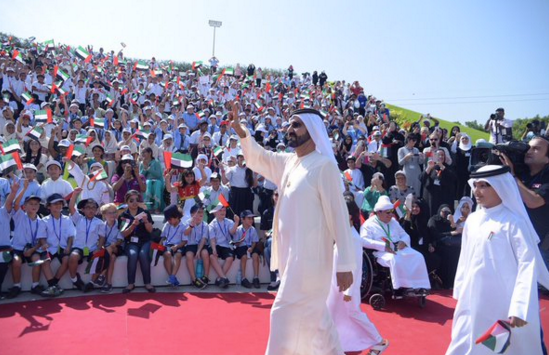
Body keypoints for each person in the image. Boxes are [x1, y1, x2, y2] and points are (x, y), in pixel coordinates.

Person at [231, 105, 355, 354]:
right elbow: (259, 157)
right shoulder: (289, 162)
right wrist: (242, 132)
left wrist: (344, 265)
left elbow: (339, 217)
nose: (290, 129)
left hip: (310, 262)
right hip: (292, 259)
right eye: (289, 125)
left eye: (296, 125)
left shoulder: (324, 166)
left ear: (312, 130)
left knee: (282, 315)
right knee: (319, 324)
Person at [446, 165, 549, 355]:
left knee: (501, 347)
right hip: (473, 298)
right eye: (475, 185)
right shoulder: (473, 220)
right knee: (466, 341)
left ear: (501, 187)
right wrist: (460, 290)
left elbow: (527, 265)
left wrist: (520, 306)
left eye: (485, 185)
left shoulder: (514, 223)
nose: (477, 191)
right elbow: (465, 259)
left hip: (504, 303)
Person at [327, 197, 389, 355]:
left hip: (346, 287)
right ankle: (339, 346)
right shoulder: (345, 234)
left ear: (348, 216)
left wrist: (347, 291)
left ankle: (379, 341)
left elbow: (353, 266)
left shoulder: (352, 238)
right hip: (337, 286)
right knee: (335, 317)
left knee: (353, 313)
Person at [361, 195, 431, 297]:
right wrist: (383, 246)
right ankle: (400, 287)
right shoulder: (368, 224)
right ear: (379, 212)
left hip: (398, 248)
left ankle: (419, 285)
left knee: (418, 256)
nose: (390, 215)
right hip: (381, 252)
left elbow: (405, 235)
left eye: (392, 212)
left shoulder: (393, 222)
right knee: (396, 260)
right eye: (388, 212)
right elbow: (363, 241)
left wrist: (403, 241)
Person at [500, 136, 549, 270]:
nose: (529, 151)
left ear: (547, 158)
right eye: (529, 147)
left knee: (541, 288)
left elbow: (533, 202)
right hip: (519, 240)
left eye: (536, 149)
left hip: (542, 244)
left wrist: (512, 176)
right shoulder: (522, 172)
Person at [68, 189, 105, 292]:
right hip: (79, 247)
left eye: (93, 208)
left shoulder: (99, 222)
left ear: (96, 210)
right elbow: (71, 207)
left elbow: (102, 237)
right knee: (73, 257)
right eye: (88, 208)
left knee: (101, 257)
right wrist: (75, 194)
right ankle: (74, 279)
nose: (91, 210)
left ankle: (91, 282)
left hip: (92, 248)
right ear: (83, 210)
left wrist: (98, 248)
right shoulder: (78, 219)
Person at [119, 190, 155, 293]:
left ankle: (147, 283)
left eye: (137, 200)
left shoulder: (145, 213)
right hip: (131, 242)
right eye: (131, 200)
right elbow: (123, 234)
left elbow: (150, 230)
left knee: (144, 255)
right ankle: (131, 283)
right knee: (133, 254)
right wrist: (133, 225)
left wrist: (146, 221)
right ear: (127, 202)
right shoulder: (123, 215)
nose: (134, 202)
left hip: (145, 241)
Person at [40, 193, 76, 297]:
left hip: (63, 248)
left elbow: (71, 236)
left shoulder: (67, 219)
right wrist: (44, 244)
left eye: (60, 203)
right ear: (49, 206)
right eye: (55, 204)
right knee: (45, 262)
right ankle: (53, 286)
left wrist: (68, 247)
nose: (58, 205)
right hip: (50, 248)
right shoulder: (44, 220)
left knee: (66, 260)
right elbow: (41, 237)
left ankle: (53, 284)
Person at [208, 203, 238, 288]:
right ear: (215, 213)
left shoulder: (229, 221)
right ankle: (224, 278)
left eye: (224, 210)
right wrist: (214, 249)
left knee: (230, 258)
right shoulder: (212, 224)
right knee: (212, 256)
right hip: (216, 245)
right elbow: (212, 239)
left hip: (226, 245)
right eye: (220, 210)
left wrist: (236, 223)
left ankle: (220, 278)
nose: (222, 212)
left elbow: (232, 232)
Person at [232, 209, 261, 289]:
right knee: (243, 256)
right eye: (249, 218)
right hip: (241, 246)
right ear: (242, 219)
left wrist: (251, 248)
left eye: (252, 218)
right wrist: (240, 240)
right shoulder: (238, 229)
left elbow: (254, 241)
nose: (251, 220)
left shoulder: (253, 229)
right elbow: (236, 243)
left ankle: (256, 277)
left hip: (250, 246)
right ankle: (243, 278)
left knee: (255, 255)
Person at [160, 204, 187, 287]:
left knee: (178, 255)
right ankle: (171, 277)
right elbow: (163, 236)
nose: (168, 221)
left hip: (179, 245)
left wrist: (177, 247)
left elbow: (184, 241)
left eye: (170, 219)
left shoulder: (183, 226)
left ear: (176, 217)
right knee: (167, 255)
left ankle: (172, 276)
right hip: (167, 245)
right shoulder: (167, 225)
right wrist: (161, 242)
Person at [99, 203, 124, 293]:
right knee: (112, 257)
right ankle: (108, 284)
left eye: (114, 212)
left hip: (118, 247)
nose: (113, 215)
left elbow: (120, 241)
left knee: (110, 249)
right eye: (110, 213)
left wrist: (113, 245)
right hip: (108, 249)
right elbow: (102, 239)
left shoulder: (120, 224)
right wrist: (100, 248)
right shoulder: (102, 225)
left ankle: (102, 274)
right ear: (104, 214)